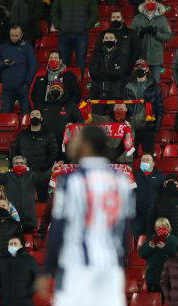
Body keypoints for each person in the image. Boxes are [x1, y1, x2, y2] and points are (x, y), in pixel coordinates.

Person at [38, 126, 135, 306]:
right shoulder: (121, 180)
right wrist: (121, 267)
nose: (72, 144)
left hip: (77, 266)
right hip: (110, 266)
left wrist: (47, 269)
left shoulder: (71, 181)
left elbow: (58, 227)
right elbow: (125, 230)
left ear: (87, 146)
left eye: (76, 140)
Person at [0, 155, 52, 232]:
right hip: (11, 219)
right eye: (16, 163)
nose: (19, 164)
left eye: (21, 163)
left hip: (29, 220)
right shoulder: (7, 177)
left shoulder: (32, 176)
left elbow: (44, 176)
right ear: (13, 164)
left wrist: (53, 169)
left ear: (25, 164)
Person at [52, 0, 99, 71]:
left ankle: (80, 80)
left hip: (81, 35)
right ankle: (64, 81)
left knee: (80, 63)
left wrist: (86, 26)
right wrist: (58, 24)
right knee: (63, 64)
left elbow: (95, 13)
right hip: (64, 34)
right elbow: (54, 10)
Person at [11, 109, 59, 198]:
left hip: (42, 172)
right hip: (25, 172)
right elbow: (14, 150)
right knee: (24, 199)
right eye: (32, 115)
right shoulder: (22, 134)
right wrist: (18, 166)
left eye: (37, 114)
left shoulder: (48, 134)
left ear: (41, 118)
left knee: (43, 199)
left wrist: (45, 166)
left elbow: (54, 152)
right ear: (29, 118)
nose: (35, 116)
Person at [0, 25, 37, 114]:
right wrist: (3, 64)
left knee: (26, 115)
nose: (14, 38)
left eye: (16, 35)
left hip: (23, 88)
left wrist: (26, 83)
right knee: (5, 116)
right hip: (7, 89)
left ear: (21, 35)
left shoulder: (27, 47)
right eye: (12, 35)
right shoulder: (3, 47)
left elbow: (33, 67)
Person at [130, 0, 173, 83]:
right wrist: (140, 34)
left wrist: (156, 34)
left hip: (156, 59)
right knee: (140, 83)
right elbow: (130, 36)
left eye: (153, 0)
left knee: (155, 83)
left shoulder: (162, 19)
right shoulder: (137, 18)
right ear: (144, 3)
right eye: (148, 0)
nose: (150, 2)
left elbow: (168, 37)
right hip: (141, 56)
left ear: (156, 3)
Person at [124, 60, 163, 154]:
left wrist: (156, 127)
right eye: (137, 67)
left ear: (147, 69)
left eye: (142, 66)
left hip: (148, 126)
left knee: (148, 156)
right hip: (131, 126)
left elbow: (160, 108)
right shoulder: (127, 86)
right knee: (130, 156)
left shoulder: (154, 87)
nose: (139, 69)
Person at [0, 235, 40, 306]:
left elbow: (39, 279)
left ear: (21, 246)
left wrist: (28, 293)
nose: (13, 245)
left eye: (15, 243)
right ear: (8, 246)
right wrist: (1, 293)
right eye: (11, 244)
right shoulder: (1, 262)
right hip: (5, 301)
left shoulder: (30, 260)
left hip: (25, 302)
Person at [89, 30, 131, 110]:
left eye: (111, 38)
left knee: (114, 118)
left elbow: (118, 74)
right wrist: (110, 74)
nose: (108, 40)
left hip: (116, 94)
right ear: (103, 40)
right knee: (96, 117)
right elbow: (93, 73)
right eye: (106, 38)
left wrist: (101, 72)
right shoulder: (96, 54)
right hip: (97, 93)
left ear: (115, 40)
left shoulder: (122, 56)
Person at [140, 217, 178, 294]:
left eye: (163, 227)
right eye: (158, 227)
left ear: (169, 228)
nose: (160, 229)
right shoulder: (151, 239)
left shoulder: (174, 240)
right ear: (155, 228)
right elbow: (141, 254)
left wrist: (165, 247)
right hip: (153, 279)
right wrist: (150, 247)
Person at [149, 174, 178, 239]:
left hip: (176, 237)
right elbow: (151, 220)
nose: (170, 184)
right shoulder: (157, 200)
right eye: (169, 182)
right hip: (162, 236)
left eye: (172, 182)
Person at [133, 154, 164, 236]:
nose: (144, 162)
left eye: (147, 160)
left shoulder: (160, 176)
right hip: (137, 213)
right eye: (143, 160)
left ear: (153, 163)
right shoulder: (134, 175)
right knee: (137, 237)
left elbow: (163, 194)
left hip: (153, 213)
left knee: (151, 237)